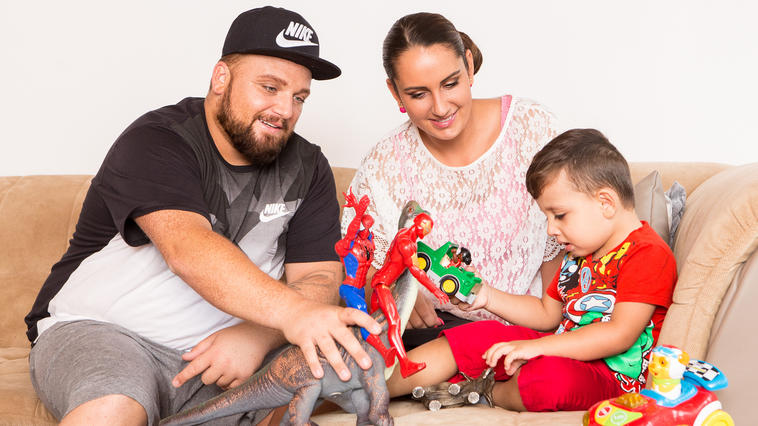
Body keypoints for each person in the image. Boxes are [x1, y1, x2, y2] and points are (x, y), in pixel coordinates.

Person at [24, 6, 381, 425]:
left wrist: (257, 335)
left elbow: (319, 277)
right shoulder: (157, 141)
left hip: (227, 357)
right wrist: (293, 315)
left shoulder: (308, 166)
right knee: (112, 408)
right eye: (270, 87)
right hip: (107, 334)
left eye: (299, 97)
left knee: (307, 390)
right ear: (221, 78)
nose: (285, 109)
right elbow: (188, 248)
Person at [385, 129, 678, 412]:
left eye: (559, 215)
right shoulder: (580, 252)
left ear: (606, 203)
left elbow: (619, 334)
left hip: (610, 377)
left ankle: (480, 391)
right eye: (547, 217)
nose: (551, 229)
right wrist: (487, 297)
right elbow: (546, 313)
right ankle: (373, 386)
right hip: (558, 351)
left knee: (549, 378)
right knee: (477, 336)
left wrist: (539, 349)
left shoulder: (647, 253)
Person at [341, 12, 564, 348]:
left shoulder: (533, 129)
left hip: (529, 335)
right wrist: (391, 293)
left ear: (469, 67)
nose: (441, 107)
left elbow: (564, 271)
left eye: (450, 84)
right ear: (395, 92)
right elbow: (359, 265)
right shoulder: (383, 166)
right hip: (434, 337)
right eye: (418, 94)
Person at [369, 211, 450, 378]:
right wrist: (435, 290)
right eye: (426, 228)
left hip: (384, 284)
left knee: (379, 327)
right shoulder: (406, 243)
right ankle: (404, 364)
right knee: (394, 324)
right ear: (419, 226)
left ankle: (379, 362)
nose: (427, 232)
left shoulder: (405, 237)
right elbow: (416, 271)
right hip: (382, 285)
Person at [335, 189, 396, 367]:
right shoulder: (347, 246)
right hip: (349, 287)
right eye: (364, 225)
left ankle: (366, 352)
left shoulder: (368, 243)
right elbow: (351, 232)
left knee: (371, 313)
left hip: (361, 288)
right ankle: (384, 353)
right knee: (361, 311)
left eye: (369, 226)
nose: (367, 229)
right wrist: (358, 213)